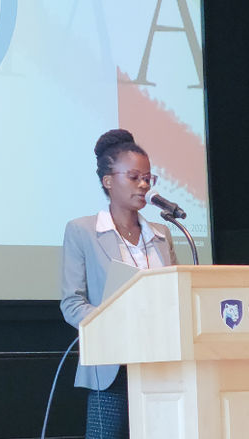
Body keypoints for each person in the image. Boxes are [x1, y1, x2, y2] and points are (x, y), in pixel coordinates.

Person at [60, 128, 177, 438]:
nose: (143, 185)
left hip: (161, 363)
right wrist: (110, 323)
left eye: (148, 178)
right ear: (108, 181)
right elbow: (72, 303)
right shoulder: (82, 231)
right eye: (134, 176)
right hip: (111, 365)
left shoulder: (162, 235)